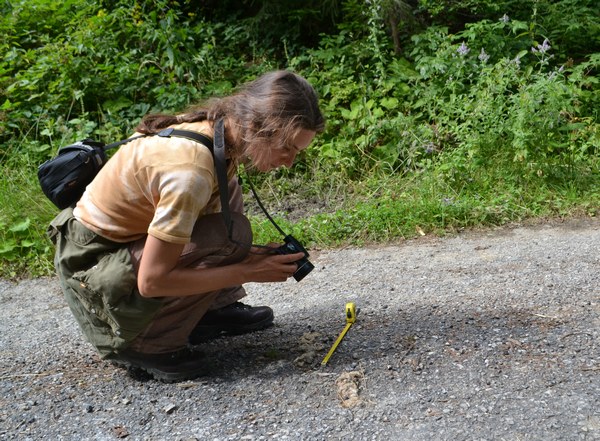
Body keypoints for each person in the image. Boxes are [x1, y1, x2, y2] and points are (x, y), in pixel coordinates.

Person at [48, 70, 325, 382]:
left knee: (228, 190)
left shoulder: (218, 129)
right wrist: (247, 270)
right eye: (288, 148)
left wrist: (256, 258)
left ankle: (212, 309)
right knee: (228, 236)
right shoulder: (189, 172)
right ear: (257, 127)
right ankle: (146, 343)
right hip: (93, 267)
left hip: (119, 244)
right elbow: (151, 282)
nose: (289, 162)